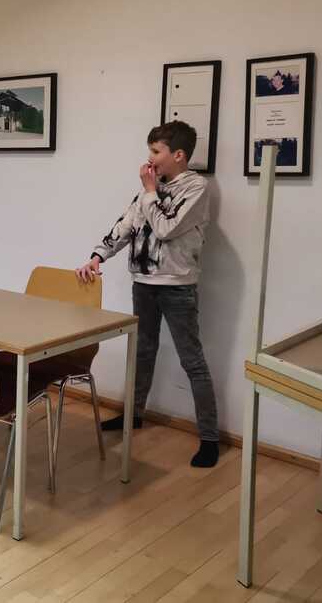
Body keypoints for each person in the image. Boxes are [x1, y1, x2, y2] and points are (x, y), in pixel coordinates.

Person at [75, 120, 219, 468]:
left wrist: (150, 191)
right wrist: (97, 256)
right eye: (150, 151)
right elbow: (126, 225)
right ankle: (133, 415)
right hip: (144, 283)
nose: (150, 158)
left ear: (178, 155)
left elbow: (167, 228)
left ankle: (210, 438)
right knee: (142, 352)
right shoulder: (149, 189)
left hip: (177, 286)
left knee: (192, 360)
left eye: (156, 151)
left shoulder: (196, 188)